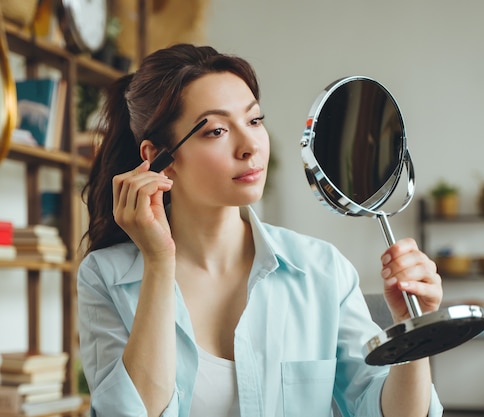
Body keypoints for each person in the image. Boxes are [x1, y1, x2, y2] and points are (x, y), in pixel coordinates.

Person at [78, 43, 445, 417]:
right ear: (160, 160)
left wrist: (410, 331)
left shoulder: (321, 270)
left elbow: (383, 410)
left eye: (254, 121)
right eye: (217, 130)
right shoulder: (105, 278)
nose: (250, 146)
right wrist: (158, 263)